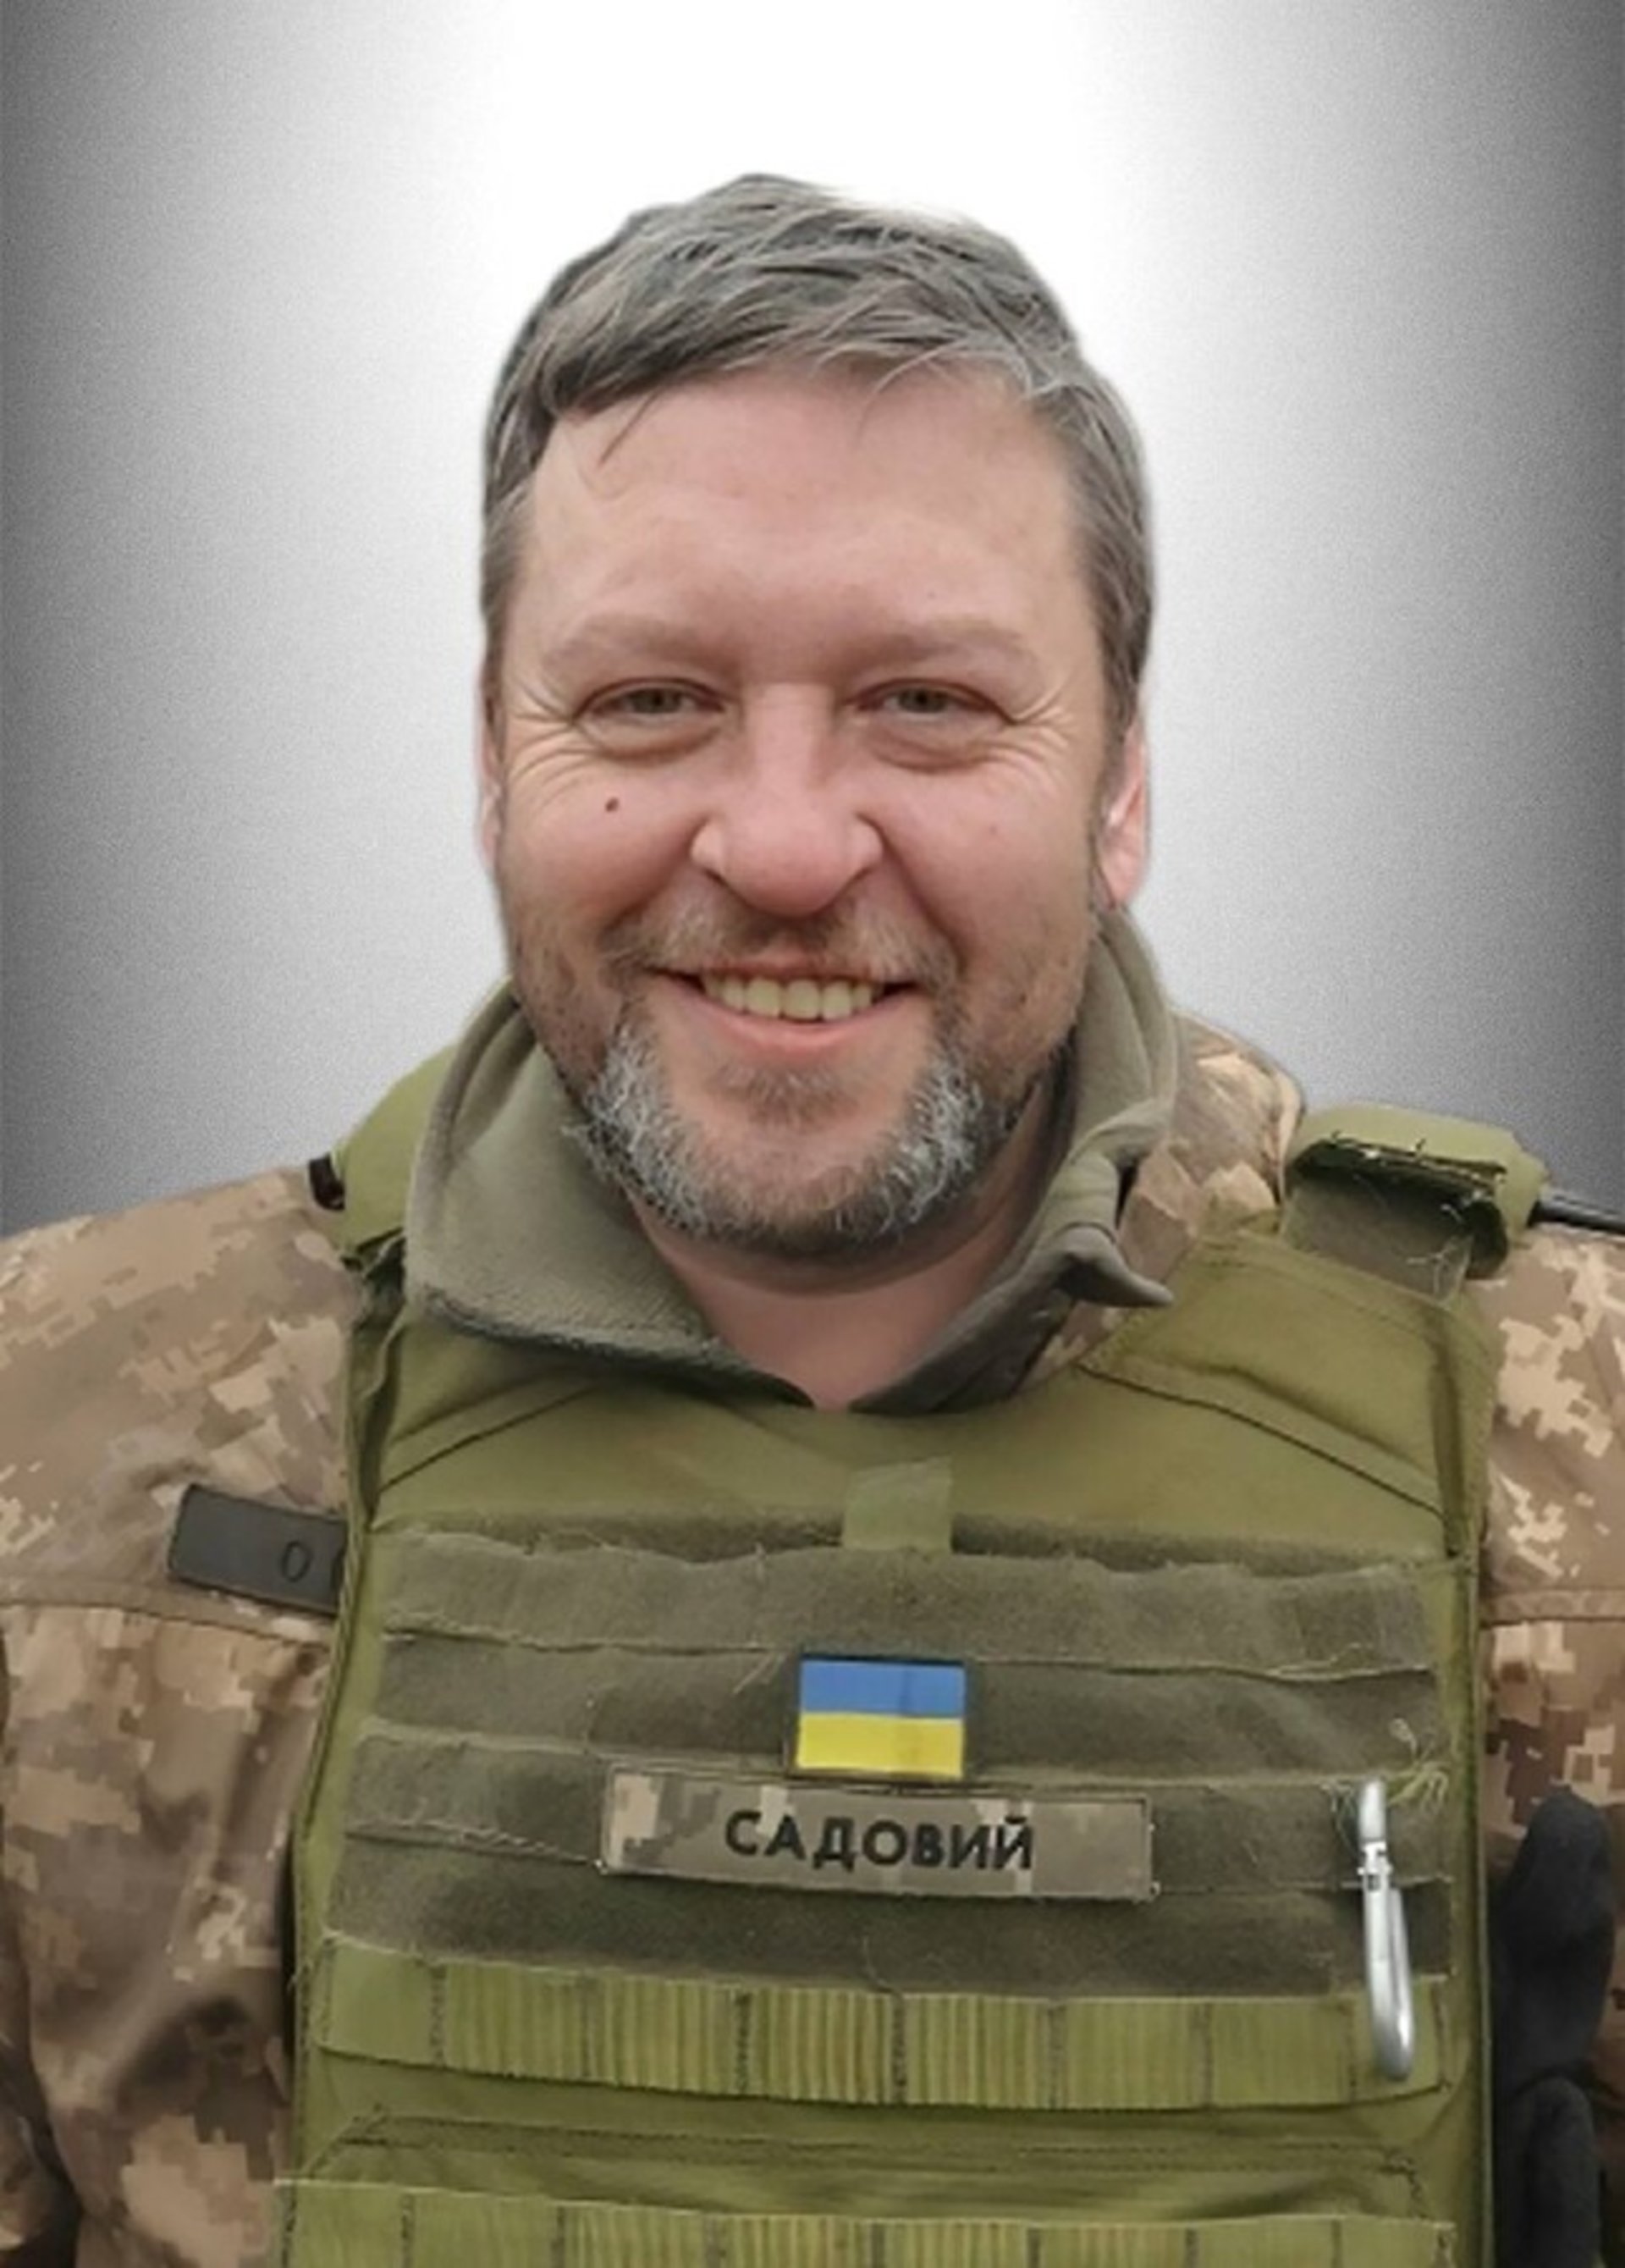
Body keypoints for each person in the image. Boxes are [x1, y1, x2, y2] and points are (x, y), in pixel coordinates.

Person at [0, 174, 1620, 2268]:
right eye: (650, 700)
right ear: (492, 763)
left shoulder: (1572, 1449)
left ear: (1122, 785)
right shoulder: (58, 1451)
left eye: (926, 702)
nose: (778, 843)